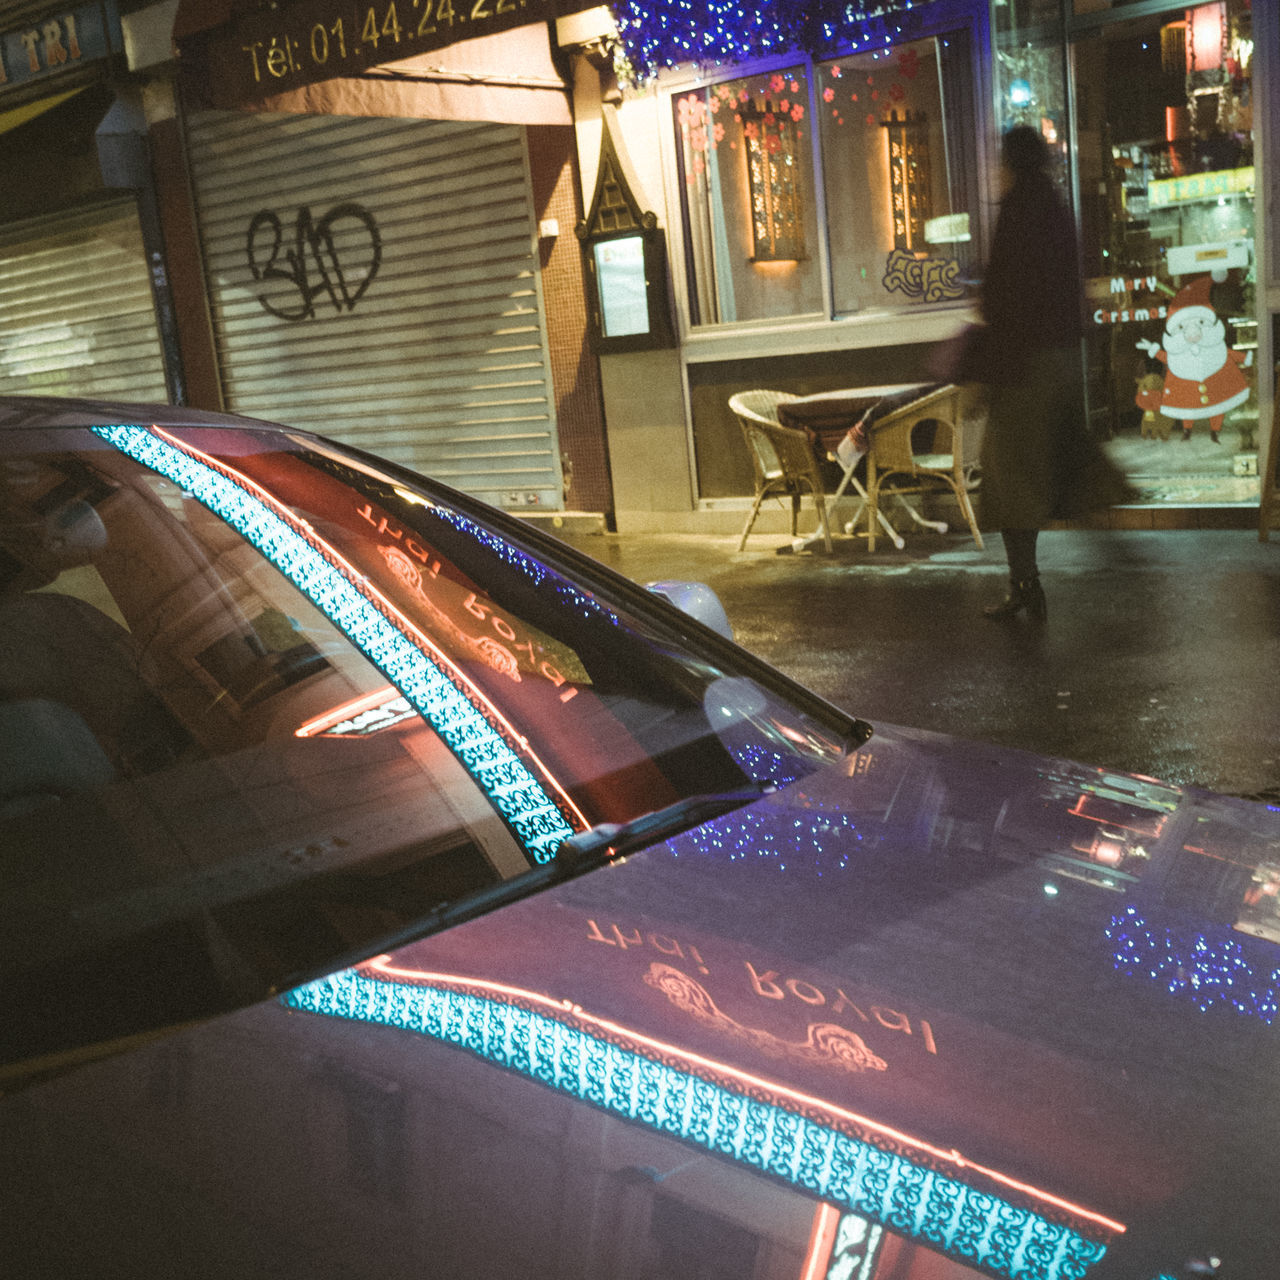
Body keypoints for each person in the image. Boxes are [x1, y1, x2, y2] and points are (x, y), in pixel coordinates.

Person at [971, 125, 1131, 621]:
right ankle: (1026, 582)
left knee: (1007, 482)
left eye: (1000, 163)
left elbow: (1001, 295)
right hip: (1056, 359)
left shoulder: (1018, 213)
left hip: (1019, 368)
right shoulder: (1058, 211)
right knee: (1041, 470)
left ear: (1011, 164)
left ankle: (1025, 584)